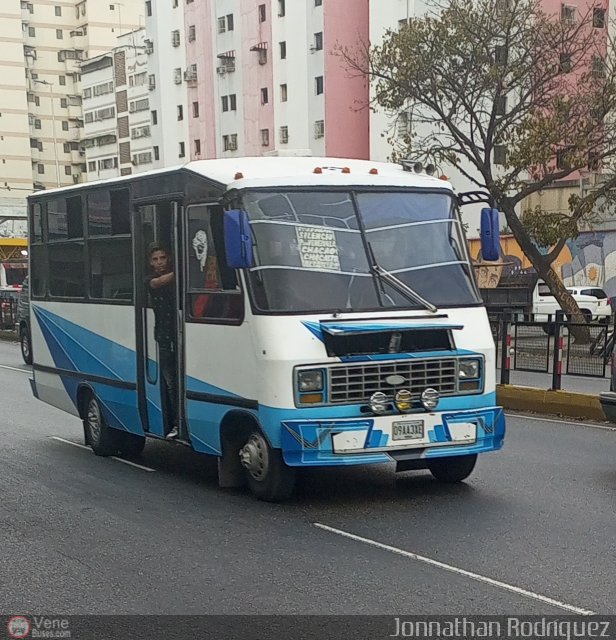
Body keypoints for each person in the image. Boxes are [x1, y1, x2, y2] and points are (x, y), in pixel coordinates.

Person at [146, 242, 179, 440]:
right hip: (164, 338)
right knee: (170, 383)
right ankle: (176, 422)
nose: (159, 263)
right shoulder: (149, 280)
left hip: (181, 335)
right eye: (155, 259)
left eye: (163, 258)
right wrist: (185, 270)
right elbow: (158, 283)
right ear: (150, 263)